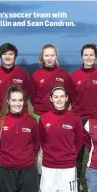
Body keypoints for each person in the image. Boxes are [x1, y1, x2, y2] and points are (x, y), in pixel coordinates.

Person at [0, 85, 40, 192]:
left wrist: (26, 158)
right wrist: (6, 159)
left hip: (26, 168)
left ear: (24, 101)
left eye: (20, 100)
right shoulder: (0, 121)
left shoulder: (31, 121)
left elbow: (36, 144)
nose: (17, 104)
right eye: (14, 100)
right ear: (8, 101)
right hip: (7, 168)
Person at [31, 44, 75, 181]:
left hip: (60, 116)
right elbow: (33, 97)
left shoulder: (64, 75)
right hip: (41, 116)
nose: (49, 58)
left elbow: (70, 95)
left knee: (59, 147)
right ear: (41, 57)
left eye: (52, 55)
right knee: (41, 149)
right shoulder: (36, 75)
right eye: (46, 55)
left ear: (56, 56)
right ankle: (41, 179)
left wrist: (62, 109)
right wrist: (42, 110)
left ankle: (59, 179)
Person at [71, 43, 97, 192]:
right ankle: (76, 181)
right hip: (78, 119)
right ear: (82, 56)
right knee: (78, 153)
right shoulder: (73, 76)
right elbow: (70, 99)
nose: (88, 57)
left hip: (96, 120)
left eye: (91, 55)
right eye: (85, 54)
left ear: (96, 56)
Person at [38, 86, 83, 192]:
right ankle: (56, 189)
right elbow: (42, 140)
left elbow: (79, 140)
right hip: (49, 164)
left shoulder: (75, 118)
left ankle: (72, 186)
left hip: (67, 164)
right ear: (51, 99)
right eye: (56, 97)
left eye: (62, 96)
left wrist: (71, 153)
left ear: (67, 98)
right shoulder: (44, 118)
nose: (59, 99)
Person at [0, 43, 35, 121]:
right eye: (4, 54)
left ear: (15, 56)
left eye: (11, 54)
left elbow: (26, 95)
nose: (7, 57)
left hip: (21, 116)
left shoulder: (23, 74)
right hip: (0, 117)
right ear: (0, 56)